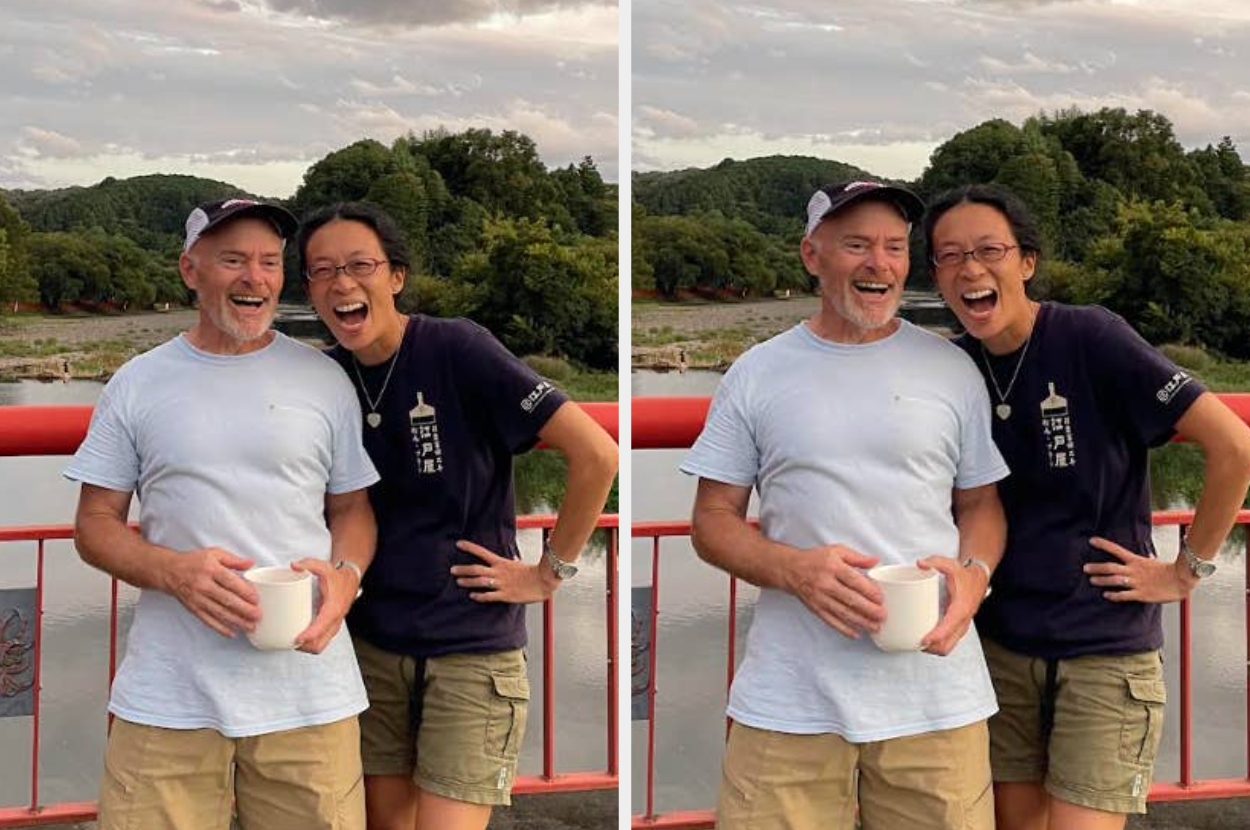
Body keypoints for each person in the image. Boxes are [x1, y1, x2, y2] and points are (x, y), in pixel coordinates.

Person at [682, 179, 1010, 830]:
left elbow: (980, 505)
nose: (878, 263)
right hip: (790, 696)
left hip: (936, 693)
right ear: (812, 254)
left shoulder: (950, 369)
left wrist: (973, 579)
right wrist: (794, 570)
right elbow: (711, 522)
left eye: (894, 247)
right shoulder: (757, 372)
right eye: (856, 244)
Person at [923, 183, 1250, 830]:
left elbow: (1234, 446)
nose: (970, 268)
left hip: (1104, 647)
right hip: (1000, 648)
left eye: (989, 249)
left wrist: (1186, 571)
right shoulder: (952, 366)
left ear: (1027, 262)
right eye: (949, 254)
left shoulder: (1089, 336)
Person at [298, 202, 619, 830]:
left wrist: (548, 573)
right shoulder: (324, 375)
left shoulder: (456, 348)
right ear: (308, 289)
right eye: (321, 270)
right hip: (369, 645)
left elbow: (596, 454)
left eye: (361, 265)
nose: (342, 283)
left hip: (470, 648)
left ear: (395, 276)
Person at [65, 198, 381, 830]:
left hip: (309, 690)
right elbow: (94, 524)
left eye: (269, 262)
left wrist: (345, 577)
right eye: (233, 259)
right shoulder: (138, 382)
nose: (254, 278)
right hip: (169, 693)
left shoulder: (322, 378)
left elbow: (352, 508)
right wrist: (173, 571)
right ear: (190, 269)